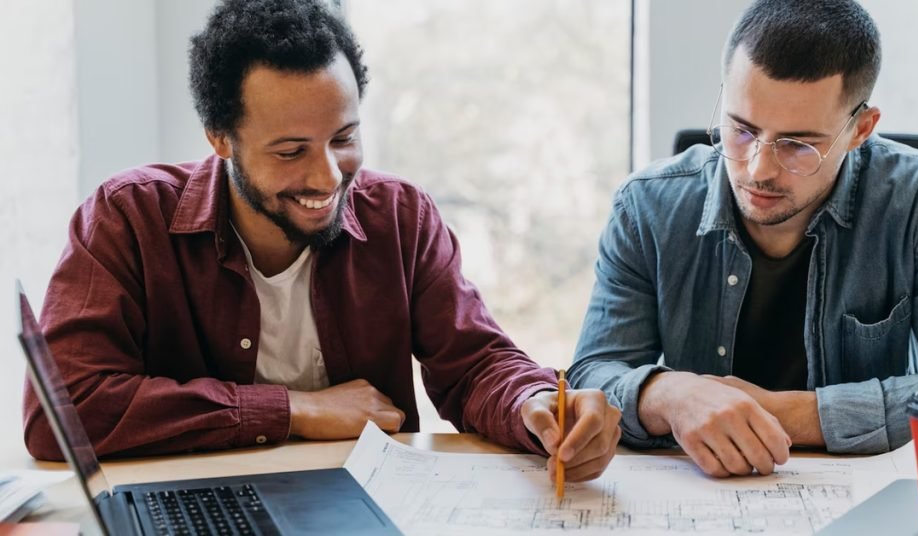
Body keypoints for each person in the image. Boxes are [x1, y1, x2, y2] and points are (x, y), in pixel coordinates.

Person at [24, 0, 621, 484]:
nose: (328, 177)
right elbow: (64, 409)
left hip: (369, 504)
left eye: (344, 138)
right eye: (291, 151)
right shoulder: (128, 217)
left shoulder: (401, 217)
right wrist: (296, 411)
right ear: (220, 139)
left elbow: (475, 366)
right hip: (202, 506)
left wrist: (536, 403)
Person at [569, 0, 918, 478]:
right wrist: (672, 395)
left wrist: (782, 413)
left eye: (798, 145)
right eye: (741, 130)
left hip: (865, 500)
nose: (759, 169)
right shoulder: (646, 206)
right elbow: (593, 375)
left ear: (860, 130)